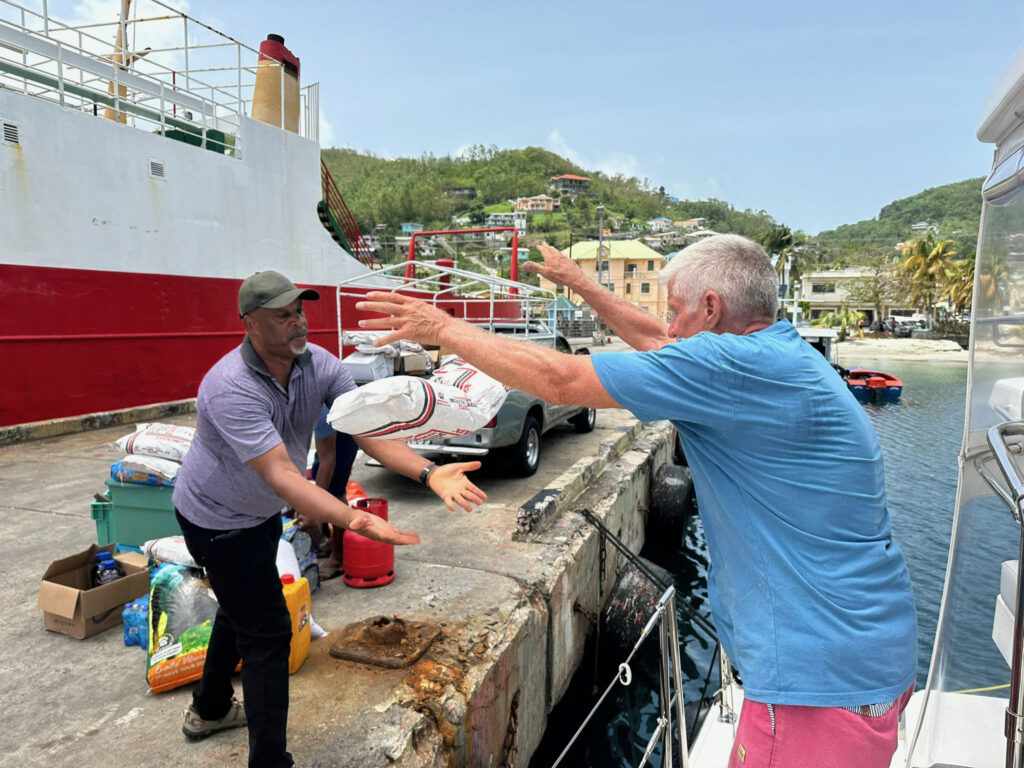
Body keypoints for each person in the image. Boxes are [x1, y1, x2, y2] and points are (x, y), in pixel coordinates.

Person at [356, 235, 917, 768]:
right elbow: (657, 339)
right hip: (862, 656)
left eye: (678, 310)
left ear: (713, 308)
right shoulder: (778, 355)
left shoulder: (733, 368)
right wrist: (582, 283)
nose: (670, 325)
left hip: (817, 688)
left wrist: (442, 328)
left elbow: (558, 380)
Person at [173, 270, 486, 768]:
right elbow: (281, 474)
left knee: (242, 607)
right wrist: (353, 520)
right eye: (283, 316)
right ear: (251, 325)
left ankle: (209, 710)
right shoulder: (230, 387)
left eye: (300, 311)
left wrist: (428, 473)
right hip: (215, 519)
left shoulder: (318, 364)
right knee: (268, 632)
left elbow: (366, 431)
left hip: (257, 515)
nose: (299, 324)